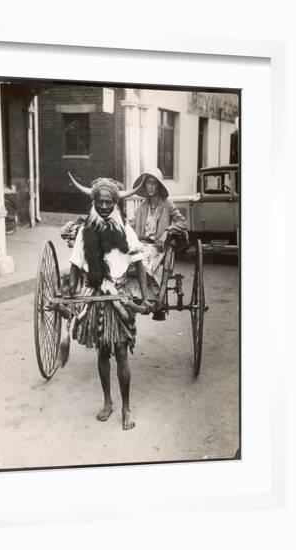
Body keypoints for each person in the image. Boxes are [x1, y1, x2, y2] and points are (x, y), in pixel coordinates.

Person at [66, 173, 150, 430]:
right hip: (96, 297)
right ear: (93, 202)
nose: (103, 207)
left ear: (116, 203)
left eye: (108, 202)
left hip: (120, 297)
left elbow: (139, 264)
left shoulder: (125, 230)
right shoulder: (84, 233)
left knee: (122, 352)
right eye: (99, 202)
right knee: (102, 352)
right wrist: (70, 293)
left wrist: (145, 298)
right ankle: (107, 402)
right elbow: (75, 266)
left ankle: (126, 407)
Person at [131, 168, 188, 319]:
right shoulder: (142, 208)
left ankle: (153, 298)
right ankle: (135, 295)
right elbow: (132, 225)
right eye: (148, 183)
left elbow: (182, 222)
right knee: (131, 260)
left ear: (159, 186)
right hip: (141, 245)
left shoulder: (167, 205)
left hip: (159, 248)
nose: (150, 186)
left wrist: (167, 231)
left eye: (153, 183)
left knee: (143, 263)